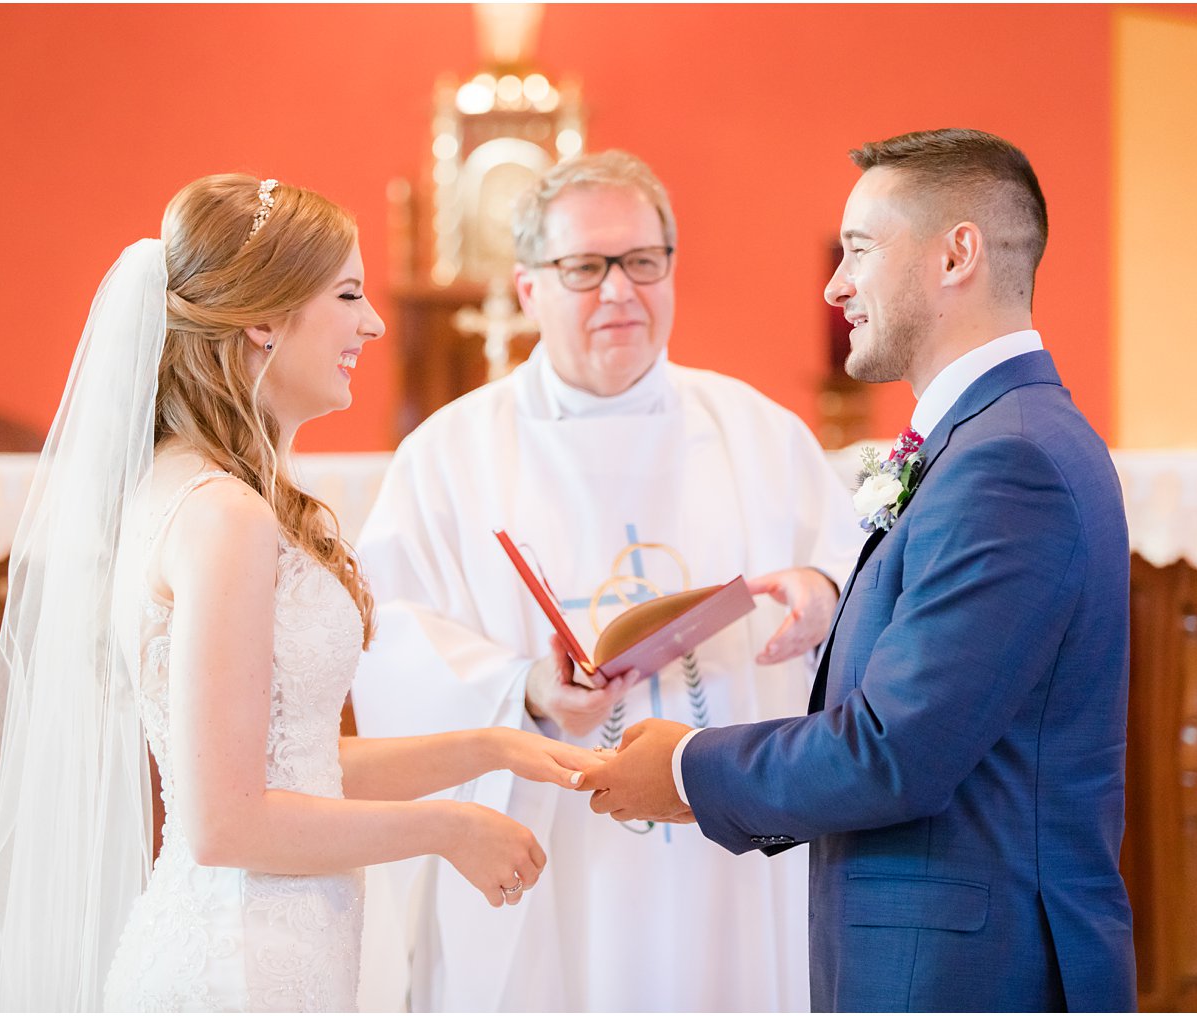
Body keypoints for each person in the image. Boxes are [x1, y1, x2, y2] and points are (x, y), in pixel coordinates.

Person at [0, 175, 602, 1013]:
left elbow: (290, 764)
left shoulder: (202, 490)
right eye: (347, 294)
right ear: (261, 317)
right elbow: (228, 824)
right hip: (238, 968)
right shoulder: (224, 515)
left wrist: (493, 748)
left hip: (271, 949)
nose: (373, 322)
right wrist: (450, 828)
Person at [584, 129, 1138, 1012]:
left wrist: (687, 770)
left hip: (973, 976)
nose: (835, 285)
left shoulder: (1011, 462)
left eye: (859, 249)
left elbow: (896, 752)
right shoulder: (984, 440)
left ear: (957, 253)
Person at [351, 150, 864, 1012]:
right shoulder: (450, 455)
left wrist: (821, 591)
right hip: (545, 840)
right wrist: (526, 689)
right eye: (585, 268)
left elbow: (851, 572)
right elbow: (388, 644)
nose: (619, 291)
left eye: (642, 261)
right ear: (526, 289)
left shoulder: (756, 433)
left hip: (722, 852)